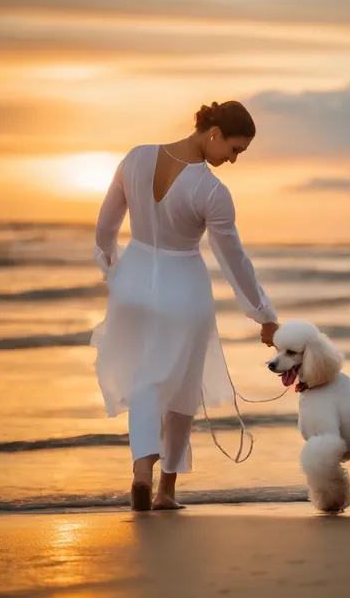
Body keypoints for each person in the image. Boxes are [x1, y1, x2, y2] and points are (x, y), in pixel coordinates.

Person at [91, 100, 279, 511]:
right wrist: (264, 316)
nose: (233, 160)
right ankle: (165, 492)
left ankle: (142, 468)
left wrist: (115, 271)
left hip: (133, 283)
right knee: (180, 389)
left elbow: (106, 227)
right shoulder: (211, 191)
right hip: (185, 289)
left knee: (145, 382)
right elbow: (234, 260)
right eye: (234, 149)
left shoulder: (136, 157)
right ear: (214, 134)